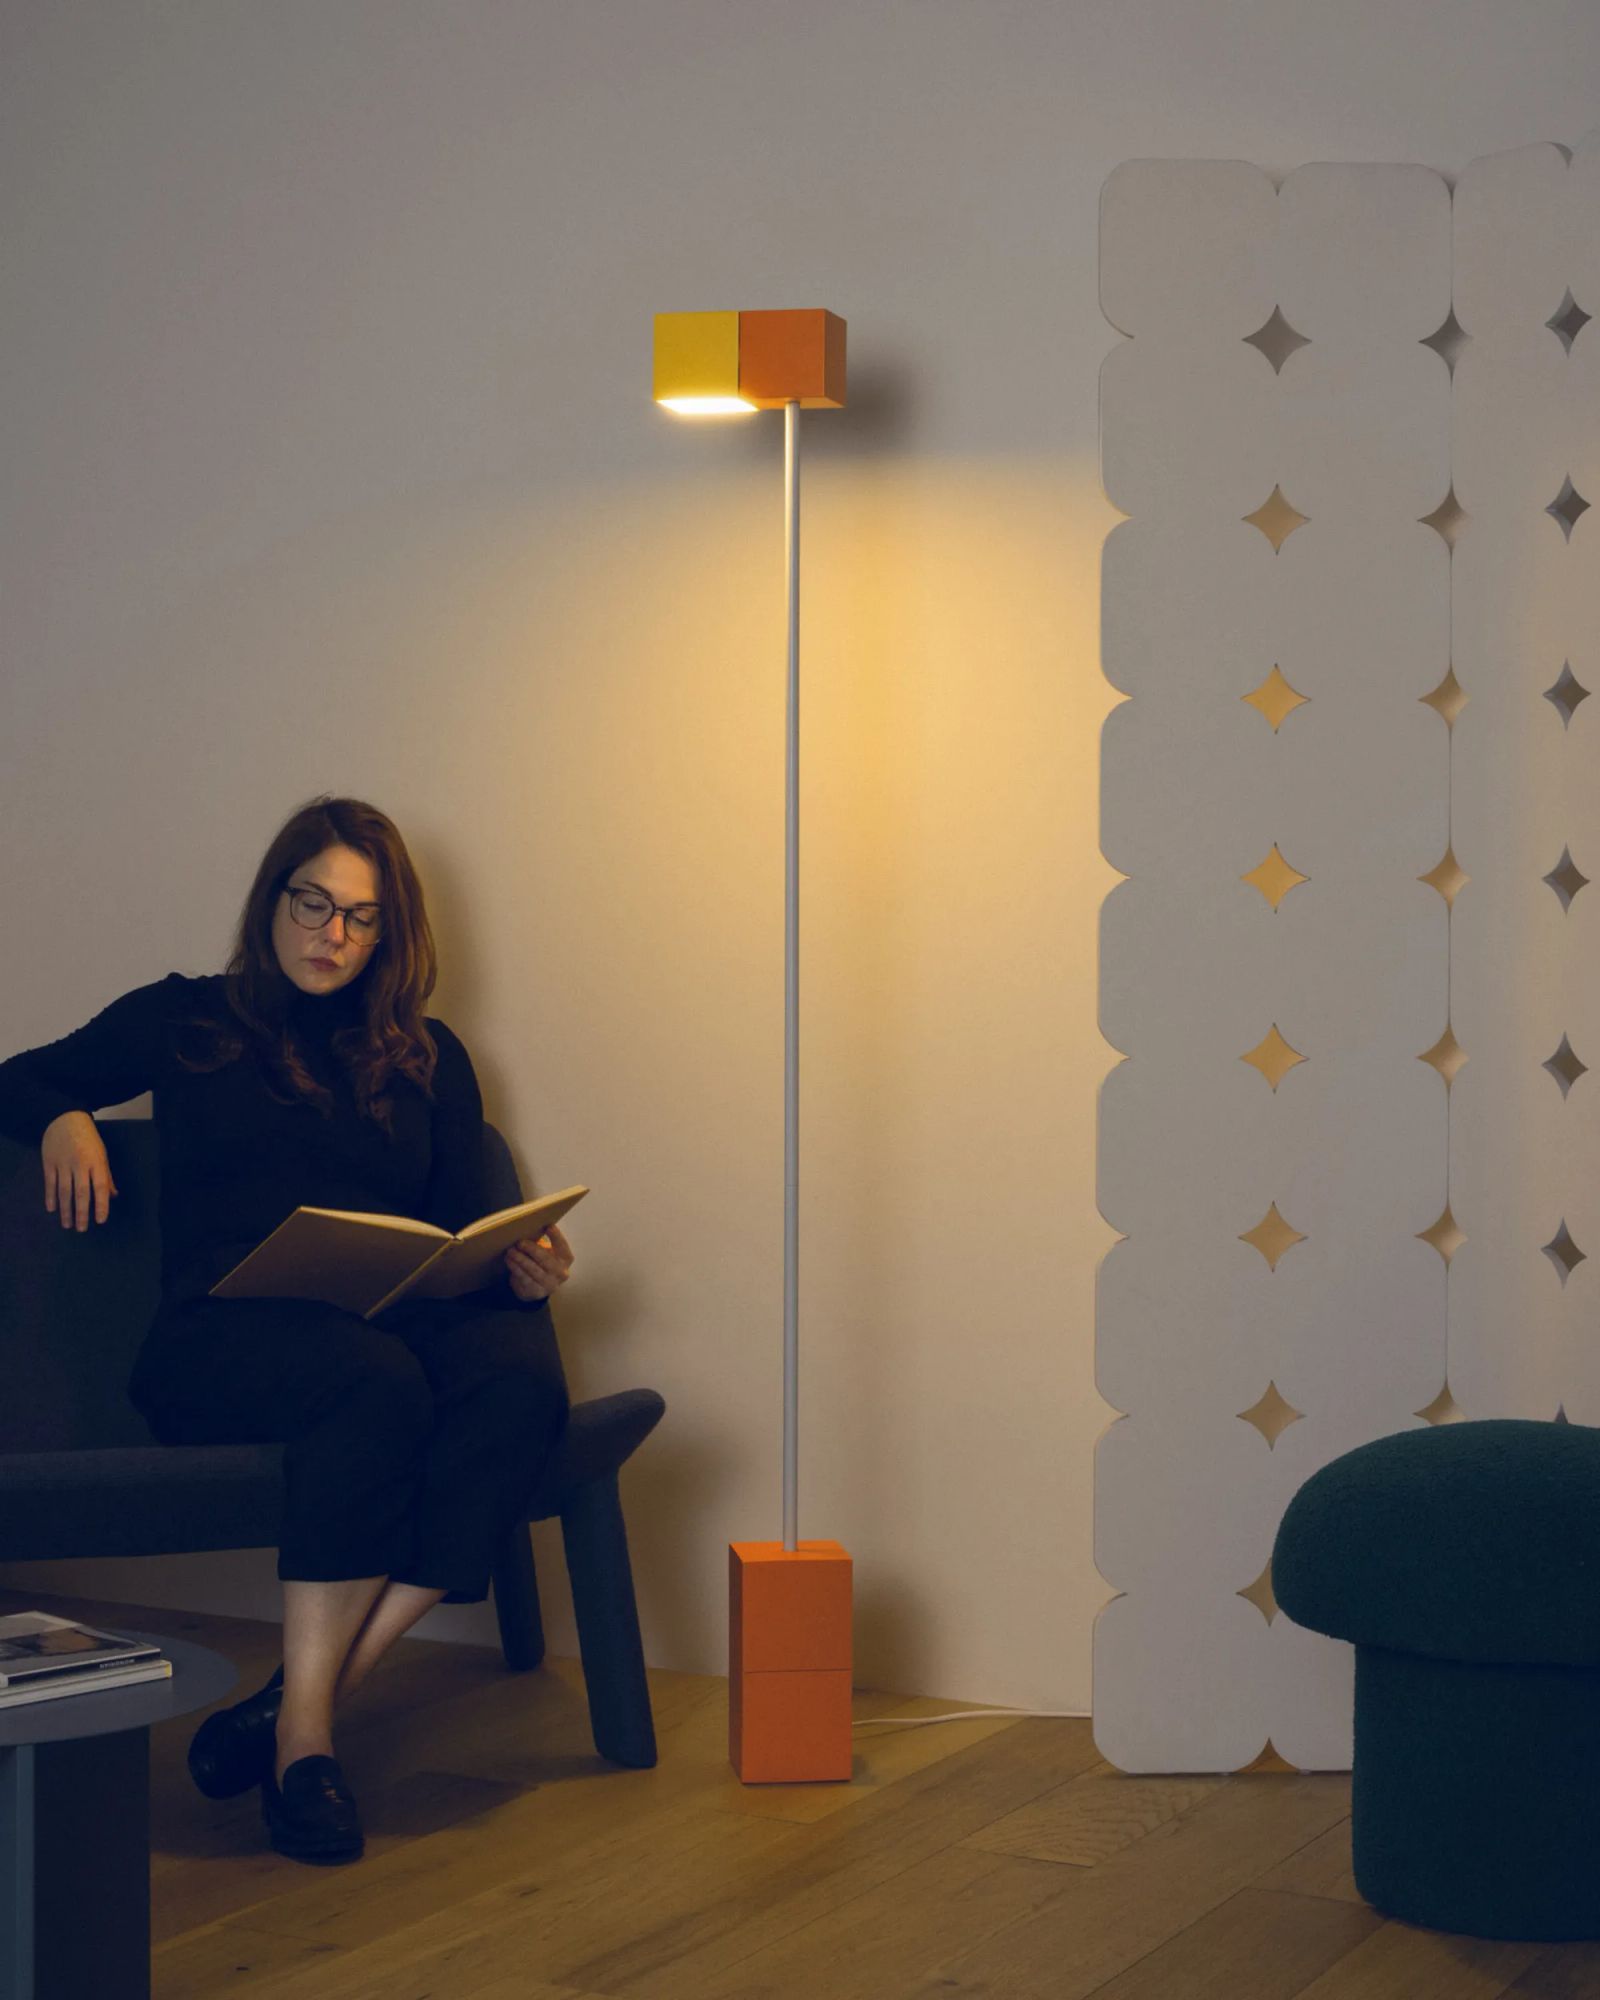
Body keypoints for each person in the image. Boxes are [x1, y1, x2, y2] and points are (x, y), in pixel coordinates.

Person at [0, 795, 575, 1865]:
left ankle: (294, 1700)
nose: (332, 934)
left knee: (519, 1386)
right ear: (272, 899)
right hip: (217, 1343)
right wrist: (63, 1115)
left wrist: (522, 1271)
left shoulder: (428, 1055)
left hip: (380, 1329)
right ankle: (306, 1745)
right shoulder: (188, 1019)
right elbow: (18, 1077)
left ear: (391, 934)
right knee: (373, 1381)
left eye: (361, 917)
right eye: (313, 902)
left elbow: (461, 1237)